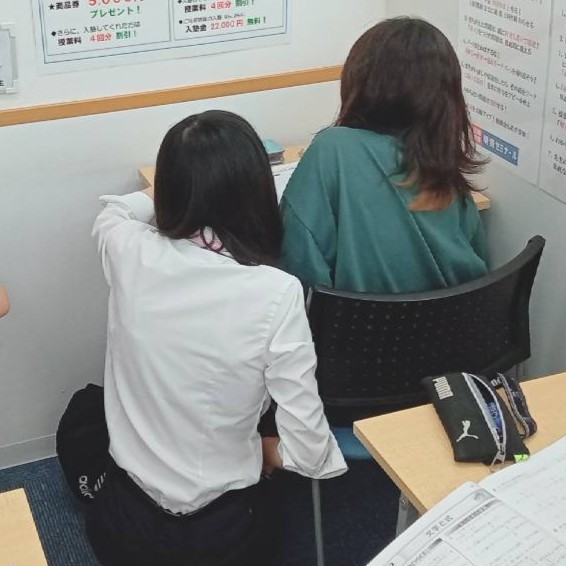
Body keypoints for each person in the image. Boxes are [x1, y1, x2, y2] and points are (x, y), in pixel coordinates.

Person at [88, 110, 346, 566]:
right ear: (256, 193)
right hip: (225, 536)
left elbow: (115, 210)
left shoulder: (126, 248)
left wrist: (180, 191)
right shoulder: (275, 292)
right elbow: (310, 452)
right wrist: (266, 451)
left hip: (122, 526)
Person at [280, 17, 489, 294]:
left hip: (354, 321)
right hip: (458, 320)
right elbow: (480, 272)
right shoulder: (444, 167)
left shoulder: (333, 149)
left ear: (360, 82)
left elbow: (298, 268)